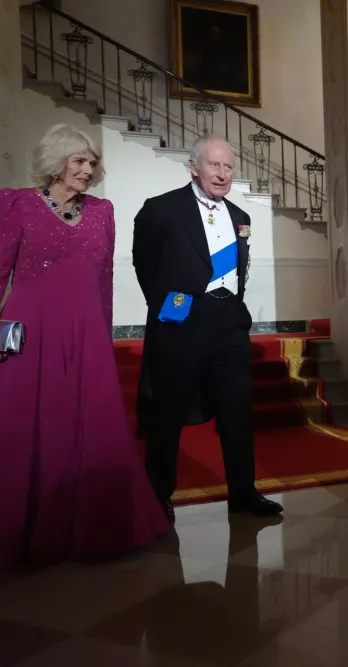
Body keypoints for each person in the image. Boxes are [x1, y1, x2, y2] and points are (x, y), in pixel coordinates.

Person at [0, 124, 169, 567]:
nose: (88, 169)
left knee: (92, 425)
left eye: (92, 162)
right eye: (78, 161)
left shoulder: (102, 211)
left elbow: (106, 278)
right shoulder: (18, 204)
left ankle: (93, 527)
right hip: (30, 330)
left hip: (87, 331)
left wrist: (104, 331)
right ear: (55, 163)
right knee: (26, 425)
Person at [132, 134, 282, 521]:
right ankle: (157, 496)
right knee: (168, 415)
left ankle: (244, 494)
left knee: (236, 414)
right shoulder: (161, 209)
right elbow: (145, 267)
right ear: (194, 166)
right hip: (182, 323)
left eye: (228, 166)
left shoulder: (240, 217)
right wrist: (171, 309)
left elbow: (239, 274)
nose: (222, 173)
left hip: (228, 325)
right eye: (214, 165)